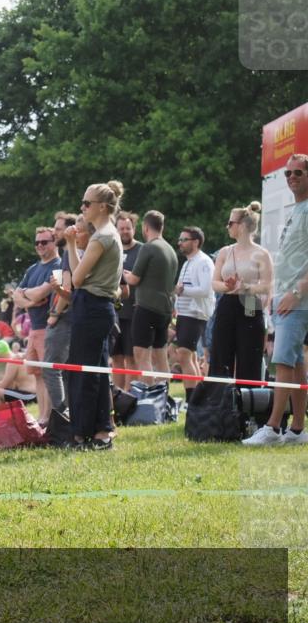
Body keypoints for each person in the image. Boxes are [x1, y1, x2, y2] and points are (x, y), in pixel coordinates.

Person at [245, 154, 308, 445]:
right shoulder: (296, 208)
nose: (292, 177)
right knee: (294, 363)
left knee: (282, 359)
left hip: (298, 298)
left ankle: (272, 427)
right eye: (288, 174)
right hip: (285, 295)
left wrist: (296, 293)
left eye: (298, 172)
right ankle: (296, 429)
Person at [65, 180, 125, 450]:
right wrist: (70, 243)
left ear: (102, 207)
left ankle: (81, 433)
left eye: (87, 203)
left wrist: (69, 247)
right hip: (98, 307)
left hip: (91, 307)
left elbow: (76, 279)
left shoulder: (101, 237)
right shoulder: (108, 233)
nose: (82, 207)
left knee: (83, 373)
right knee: (97, 372)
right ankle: (102, 431)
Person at [209, 202, 273, 381]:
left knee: (249, 355)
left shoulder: (261, 253)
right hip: (228, 301)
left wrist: (247, 287)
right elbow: (215, 283)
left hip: (250, 301)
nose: (227, 227)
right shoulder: (225, 252)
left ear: (242, 226)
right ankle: (219, 401)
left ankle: (248, 401)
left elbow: (267, 286)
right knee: (221, 354)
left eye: (230, 223)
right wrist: (228, 286)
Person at [13, 226, 61, 424]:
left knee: (49, 376)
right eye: (37, 242)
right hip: (33, 329)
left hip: (49, 329)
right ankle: (43, 418)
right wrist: (31, 301)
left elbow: (43, 292)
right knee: (38, 377)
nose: (40, 245)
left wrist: (29, 294)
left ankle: (52, 419)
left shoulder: (58, 265)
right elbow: (16, 296)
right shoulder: (32, 269)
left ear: (54, 242)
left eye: (44, 242)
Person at [124, 211, 177, 385]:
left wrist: (123, 274)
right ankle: (164, 399)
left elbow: (134, 279)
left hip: (146, 308)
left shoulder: (149, 247)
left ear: (145, 227)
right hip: (165, 309)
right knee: (161, 356)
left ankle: (149, 398)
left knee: (142, 356)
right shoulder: (171, 251)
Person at [44, 214, 89, 414]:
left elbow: (67, 289)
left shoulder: (71, 256)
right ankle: (68, 413)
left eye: (59, 228)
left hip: (66, 318)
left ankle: (61, 414)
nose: (55, 232)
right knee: (67, 370)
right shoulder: (68, 255)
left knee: (51, 368)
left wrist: (54, 313)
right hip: (72, 318)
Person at [174, 226, 215, 404]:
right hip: (184, 313)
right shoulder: (187, 262)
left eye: (184, 240)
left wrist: (183, 290)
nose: (180, 243)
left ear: (196, 242)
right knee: (188, 356)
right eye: (180, 240)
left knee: (183, 354)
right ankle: (198, 399)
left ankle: (193, 400)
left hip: (195, 314)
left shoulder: (204, 261)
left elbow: (205, 290)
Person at [110, 212, 142, 391]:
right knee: (116, 358)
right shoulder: (113, 250)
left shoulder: (142, 250)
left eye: (127, 228)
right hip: (114, 314)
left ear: (134, 229)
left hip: (134, 312)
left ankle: (130, 396)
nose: (124, 232)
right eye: (121, 228)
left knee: (131, 358)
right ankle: (118, 396)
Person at [0, 339, 38, 407]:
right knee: (2, 392)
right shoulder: (17, 358)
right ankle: (6, 416)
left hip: (30, 395)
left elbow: (4, 384)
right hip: (33, 394)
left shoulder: (12, 361)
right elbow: (10, 386)